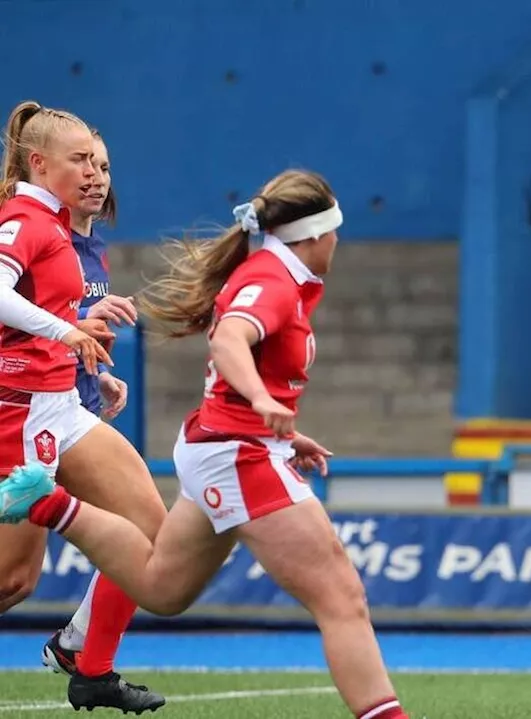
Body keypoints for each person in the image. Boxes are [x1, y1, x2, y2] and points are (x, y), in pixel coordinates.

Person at [0, 168, 412, 719]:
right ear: (314, 235)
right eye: (335, 230)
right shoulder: (272, 281)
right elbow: (230, 339)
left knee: (162, 591)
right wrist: (263, 405)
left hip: (224, 445)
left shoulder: (276, 273)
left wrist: (277, 425)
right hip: (237, 453)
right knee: (343, 600)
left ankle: (50, 505)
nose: (338, 241)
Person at [0, 101, 166, 713]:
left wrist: (84, 356)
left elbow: (45, 315)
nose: (96, 173)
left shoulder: (66, 231)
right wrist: (70, 332)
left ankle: (87, 664)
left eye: (102, 163)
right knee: (13, 581)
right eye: (82, 161)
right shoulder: (25, 218)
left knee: (151, 529)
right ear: (39, 163)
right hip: (18, 410)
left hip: (63, 404)